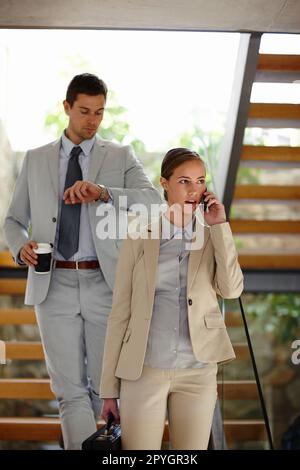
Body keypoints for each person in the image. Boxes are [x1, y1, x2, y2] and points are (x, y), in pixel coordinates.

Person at [4, 73, 161, 450]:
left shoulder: (120, 156)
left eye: (99, 113)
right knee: (68, 390)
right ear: (67, 108)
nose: (92, 121)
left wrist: (104, 192)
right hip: (52, 282)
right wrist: (21, 245)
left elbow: (153, 201)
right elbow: (12, 222)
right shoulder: (36, 159)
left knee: (105, 388)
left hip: (104, 283)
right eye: (85, 111)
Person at [100, 147, 244, 450]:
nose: (194, 190)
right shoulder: (139, 233)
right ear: (164, 183)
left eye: (200, 181)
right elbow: (120, 312)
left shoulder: (212, 233)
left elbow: (231, 290)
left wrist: (220, 226)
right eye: (184, 181)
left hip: (198, 370)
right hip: (144, 370)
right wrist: (108, 390)